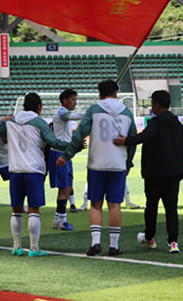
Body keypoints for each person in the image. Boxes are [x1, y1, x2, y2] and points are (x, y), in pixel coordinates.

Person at [0, 93, 70, 257]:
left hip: (15, 171)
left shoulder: (11, 123)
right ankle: (34, 248)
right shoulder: (40, 123)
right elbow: (54, 142)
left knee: (16, 211)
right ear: (39, 107)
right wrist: (73, 145)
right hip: (34, 171)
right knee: (33, 211)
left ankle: (17, 246)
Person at [58, 79, 137, 257]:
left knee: (96, 205)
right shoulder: (127, 113)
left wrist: (66, 155)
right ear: (116, 93)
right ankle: (114, 246)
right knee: (115, 205)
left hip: (96, 164)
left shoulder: (93, 110)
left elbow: (79, 134)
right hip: (118, 164)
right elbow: (132, 141)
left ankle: (96, 243)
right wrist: (129, 163)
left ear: (100, 95)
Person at [113, 90, 183, 253]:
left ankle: (149, 237)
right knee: (171, 208)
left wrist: (126, 141)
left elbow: (145, 137)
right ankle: (173, 242)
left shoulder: (155, 123)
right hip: (174, 173)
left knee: (151, 206)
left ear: (156, 105)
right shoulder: (177, 124)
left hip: (155, 172)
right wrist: (180, 169)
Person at [48, 89, 85, 231]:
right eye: (73, 99)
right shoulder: (62, 112)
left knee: (68, 187)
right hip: (59, 154)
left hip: (65, 153)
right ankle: (61, 220)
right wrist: (92, 113)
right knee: (64, 187)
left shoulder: (64, 115)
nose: (75, 102)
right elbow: (74, 116)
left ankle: (58, 219)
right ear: (64, 100)